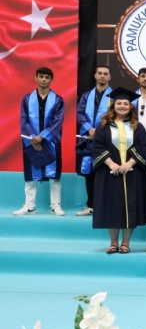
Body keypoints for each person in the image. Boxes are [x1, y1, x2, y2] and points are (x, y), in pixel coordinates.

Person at [92, 87, 146, 253]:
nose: (122, 106)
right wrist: (111, 164)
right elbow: (97, 146)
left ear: (130, 106)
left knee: (130, 207)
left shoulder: (137, 127)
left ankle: (125, 243)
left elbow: (144, 147)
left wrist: (130, 163)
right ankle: (113, 243)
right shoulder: (103, 126)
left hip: (132, 173)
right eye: (119, 103)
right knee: (112, 207)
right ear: (113, 105)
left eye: (125, 103)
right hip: (110, 173)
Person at [15, 67, 66, 216]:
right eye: (41, 76)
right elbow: (23, 120)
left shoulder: (58, 100)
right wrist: (33, 136)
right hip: (31, 141)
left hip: (51, 141)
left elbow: (58, 121)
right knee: (31, 174)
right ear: (36, 78)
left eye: (47, 77)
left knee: (54, 176)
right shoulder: (26, 99)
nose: (44, 79)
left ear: (51, 80)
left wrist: (43, 136)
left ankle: (56, 205)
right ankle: (29, 205)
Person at [75, 65, 113, 216]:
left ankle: (104, 206)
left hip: (106, 140)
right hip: (88, 140)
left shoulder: (114, 97)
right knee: (89, 174)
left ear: (110, 77)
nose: (102, 76)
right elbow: (79, 113)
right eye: (100, 73)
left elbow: (116, 115)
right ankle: (90, 205)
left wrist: (100, 131)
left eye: (105, 74)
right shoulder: (86, 96)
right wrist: (89, 128)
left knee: (105, 173)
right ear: (95, 76)